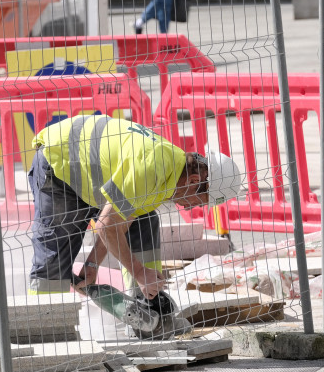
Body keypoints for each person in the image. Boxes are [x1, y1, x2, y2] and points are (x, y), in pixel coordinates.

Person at [27, 114, 242, 304]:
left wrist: (92, 263)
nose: (197, 207)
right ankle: (46, 328)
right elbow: (108, 225)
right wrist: (138, 271)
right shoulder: (152, 168)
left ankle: (145, 306)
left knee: (144, 222)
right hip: (60, 161)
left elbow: (119, 222)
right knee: (54, 257)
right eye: (201, 200)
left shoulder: (169, 176)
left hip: (87, 169)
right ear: (194, 180)